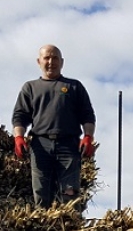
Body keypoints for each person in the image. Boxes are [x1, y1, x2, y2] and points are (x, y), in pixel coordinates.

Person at [11, 44, 96, 209]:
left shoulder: (74, 87)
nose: (51, 62)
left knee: (70, 193)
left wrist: (88, 137)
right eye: (47, 58)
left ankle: (69, 227)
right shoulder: (30, 87)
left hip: (69, 146)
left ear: (62, 62)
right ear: (39, 61)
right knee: (41, 193)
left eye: (55, 58)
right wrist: (19, 138)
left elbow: (87, 114)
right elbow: (19, 116)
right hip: (40, 145)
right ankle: (42, 230)